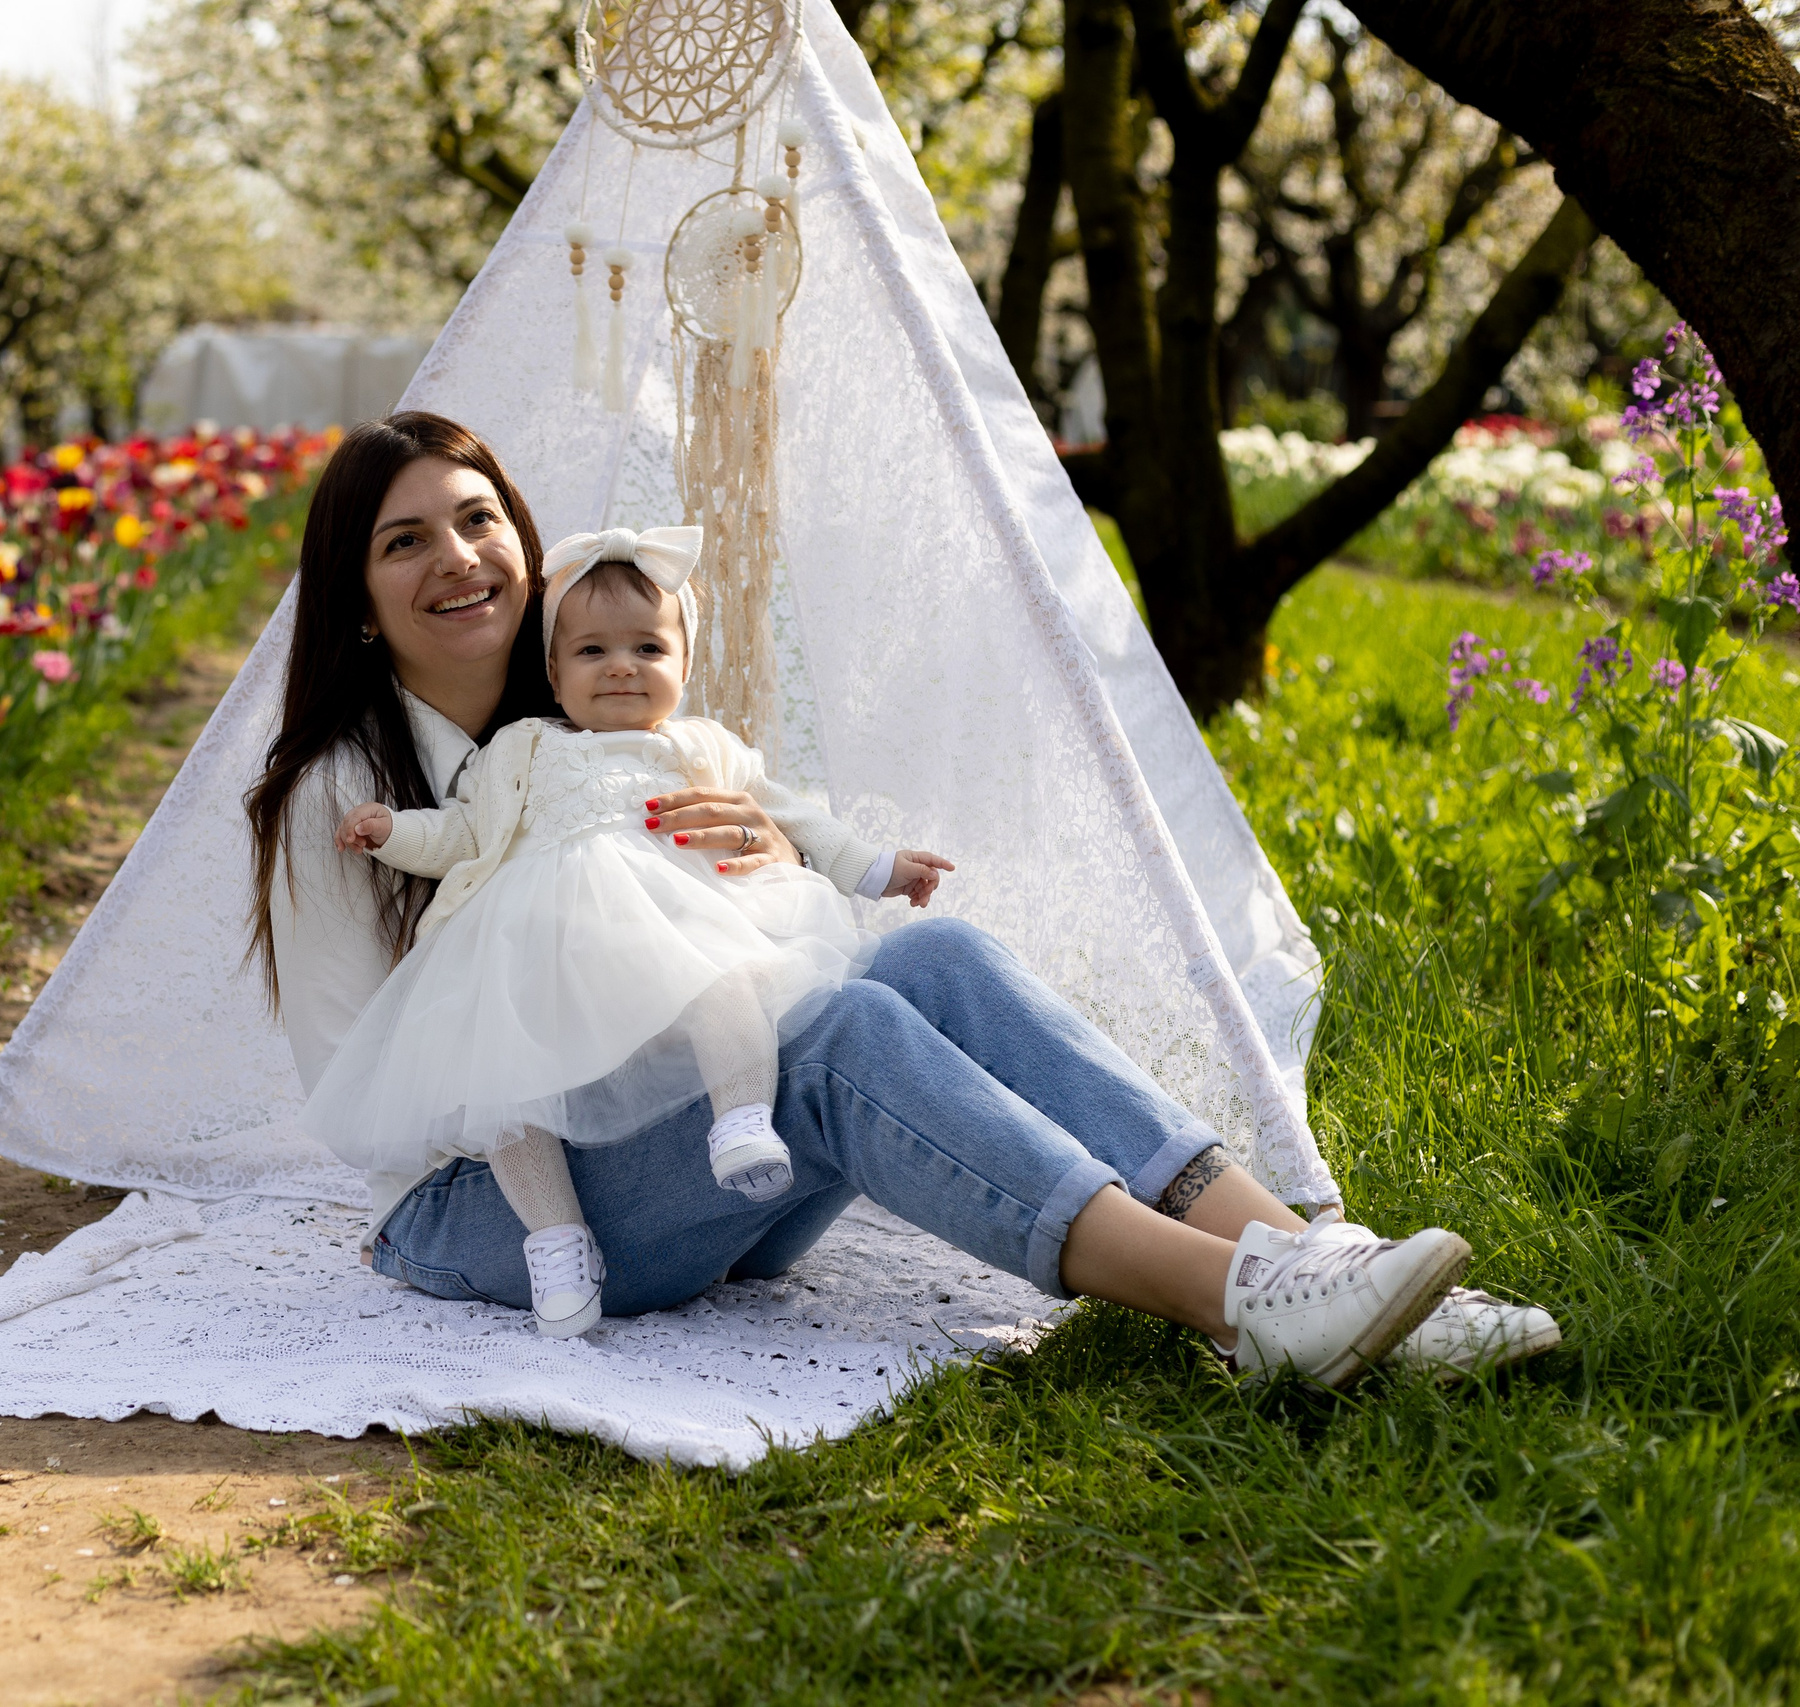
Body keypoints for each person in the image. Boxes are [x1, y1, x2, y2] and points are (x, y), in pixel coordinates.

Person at [247, 411, 1560, 1388]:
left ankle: (1326, 1269)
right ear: (358, 602)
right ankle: (1240, 1303)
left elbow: (710, 939)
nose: (460, 557)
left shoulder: (597, 714)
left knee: (931, 963)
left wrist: (749, 850)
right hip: (502, 1201)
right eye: (404, 539)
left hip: (699, 1140)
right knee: (839, 1040)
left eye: (480, 519)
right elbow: (381, 1104)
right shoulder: (338, 795)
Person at [307, 523, 956, 1336]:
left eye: (648, 648)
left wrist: (879, 867)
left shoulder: (699, 747)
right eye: (592, 653)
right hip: (543, 958)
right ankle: (555, 1243)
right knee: (506, 1085)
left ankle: (742, 1120)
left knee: (727, 984)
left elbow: (794, 816)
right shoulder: (523, 749)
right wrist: (392, 831)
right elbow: (464, 836)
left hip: (674, 929)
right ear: (552, 670)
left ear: (683, 668)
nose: (621, 666)